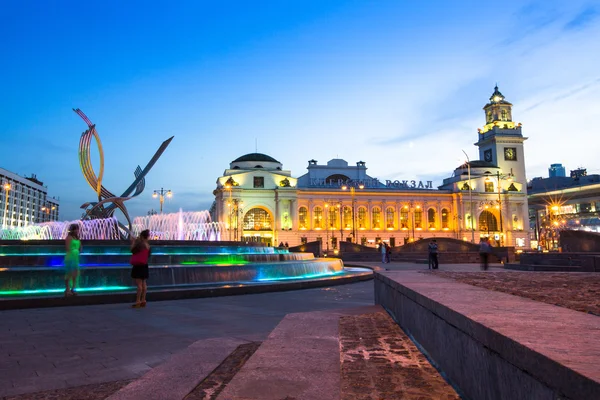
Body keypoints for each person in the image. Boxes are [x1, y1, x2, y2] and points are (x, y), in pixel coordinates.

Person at [130, 230, 151, 308]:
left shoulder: (140, 244)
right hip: (145, 265)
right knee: (144, 284)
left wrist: (133, 242)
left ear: (142, 236)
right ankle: (143, 300)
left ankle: (138, 301)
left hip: (138, 265)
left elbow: (132, 250)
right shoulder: (148, 245)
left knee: (139, 285)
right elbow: (148, 255)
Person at [64, 224, 82, 296]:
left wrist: (78, 250)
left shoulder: (77, 238)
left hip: (76, 257)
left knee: (75, 274)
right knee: (69, 273)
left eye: (77, 229)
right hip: (70, 257)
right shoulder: (69, 237)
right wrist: (74, 250)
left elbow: (80, 247)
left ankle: (73, 288)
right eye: (75, 229)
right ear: (72, 230)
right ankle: (67, 289)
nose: (77, 230)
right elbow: (67, 248)